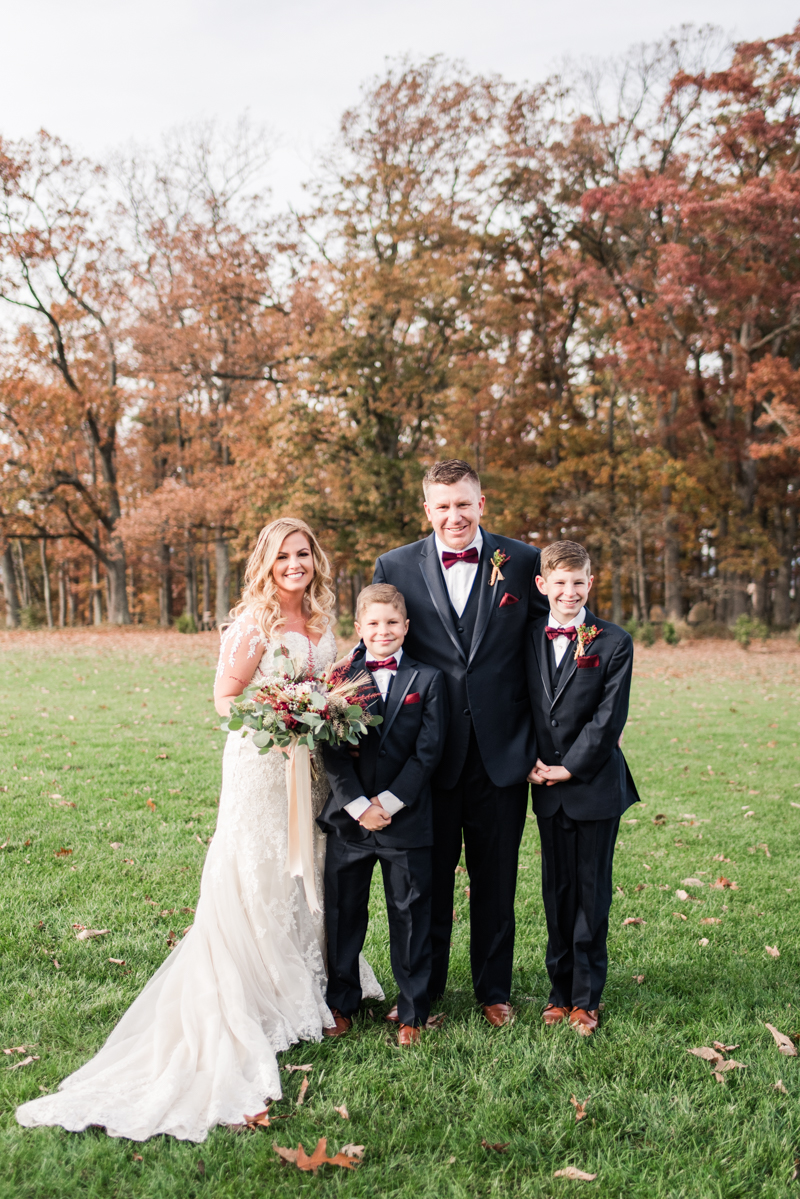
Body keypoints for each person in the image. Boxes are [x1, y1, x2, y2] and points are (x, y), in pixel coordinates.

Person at [17, 517, 382, 1143]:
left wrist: (318, 716)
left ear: (315, 560)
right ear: (266, 565)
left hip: (312, 768)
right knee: (261, 867)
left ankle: (314, 983)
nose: (296, 564)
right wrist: (282, 714)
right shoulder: (254, 625)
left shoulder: (323, 626)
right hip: (261, 766)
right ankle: (266, 990)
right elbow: (224, 697)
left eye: (304, 554)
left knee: (309, 867)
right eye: (283, 556)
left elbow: (337, 688)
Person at [372, 460, 549, 1026]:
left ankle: (494, 991)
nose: (454, 515)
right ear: (426, 508)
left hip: (503, 751)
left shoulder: (522, 562)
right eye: (443, 505)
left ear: (481, 503)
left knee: (497, 880)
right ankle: (421, 991)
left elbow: (545, 655)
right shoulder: (395, 565)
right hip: (429, 756)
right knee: (426, 884)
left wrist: (546, 742)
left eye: (464, 504)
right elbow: (382, 656)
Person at [318, 584, 447, 1045]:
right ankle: (342, 1002)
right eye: (373, 623)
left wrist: (388, 804)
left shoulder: (428, 680)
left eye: (392, 622)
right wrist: (358, 806)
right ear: (359, 629)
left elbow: (428, 752)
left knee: (410, 915)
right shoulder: (339, 679)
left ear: (406, 627)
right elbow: (329, 750)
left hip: (405, 820)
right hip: (349, 822)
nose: (383, 631)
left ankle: (413, 1010)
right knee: (343, 914)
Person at [525, 539, 639, 1036]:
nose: (568, 592)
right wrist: (528, 761)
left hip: (592, 785)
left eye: (578, 582)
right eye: (559, 583)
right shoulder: (527, 636)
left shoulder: (612, 642)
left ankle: (586, 997)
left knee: (591, 895)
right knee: (557, 891)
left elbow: (608, 716)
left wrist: (568, 767)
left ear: (590, 584)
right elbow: (518, 703)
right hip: (543, 786)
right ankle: (558, 990)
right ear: (541, 585)